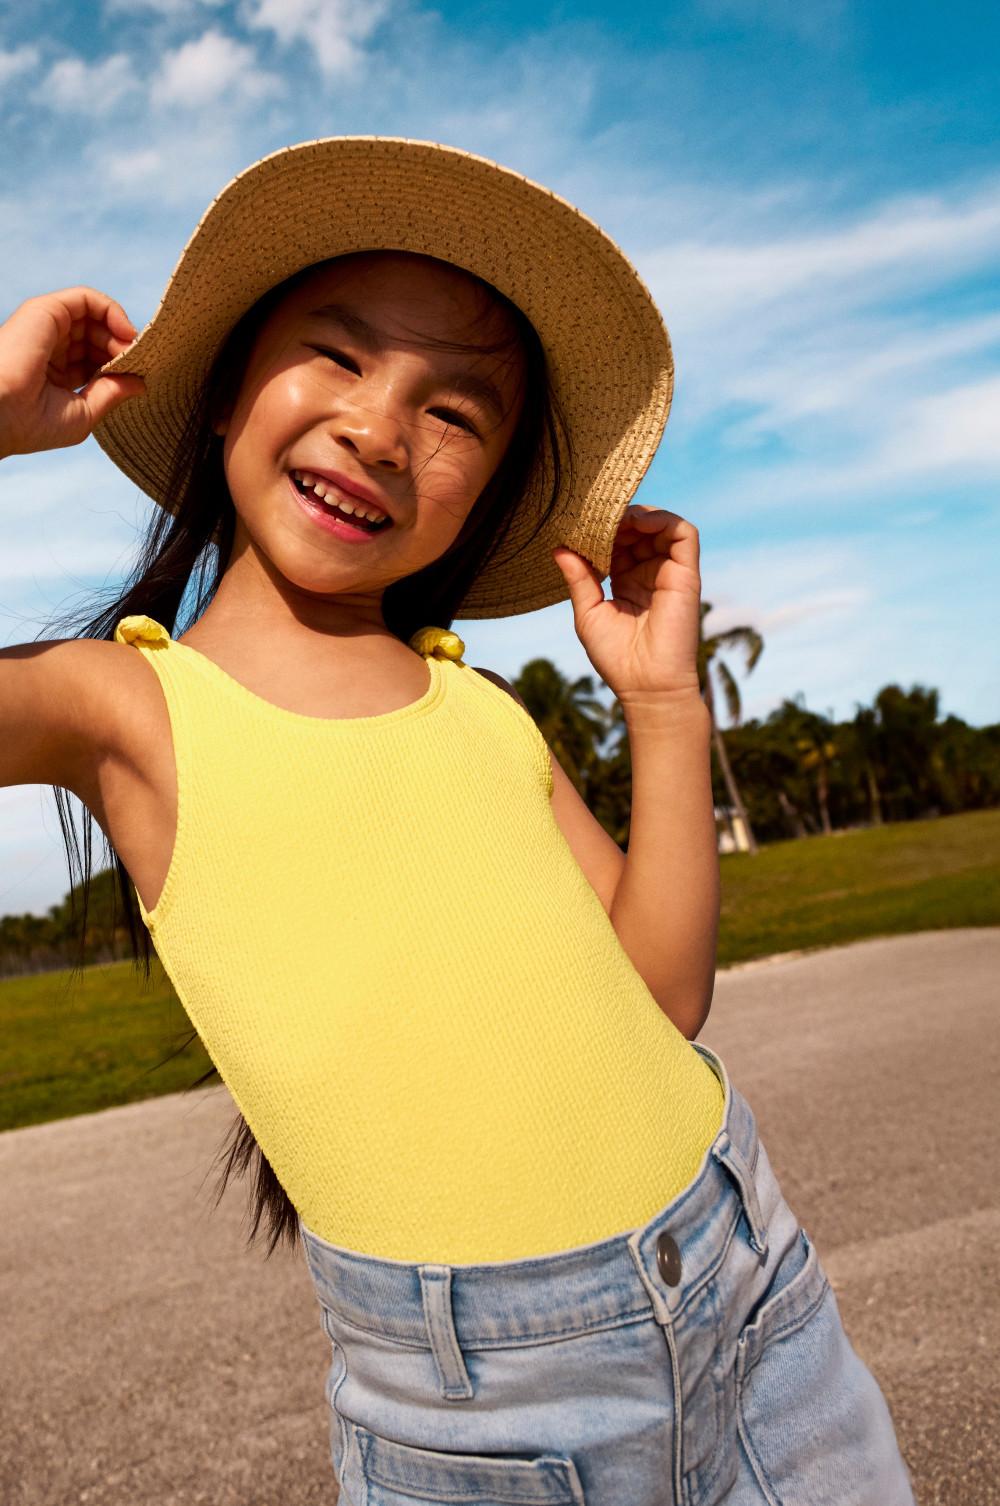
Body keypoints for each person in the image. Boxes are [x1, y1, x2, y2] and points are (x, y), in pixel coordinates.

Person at [0, 137, 916, 1505]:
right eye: (341, 354)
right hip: (491, 1411)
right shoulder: (125, 707)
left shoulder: (478, 709)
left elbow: (659, 993)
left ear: (483, 493)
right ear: (226, 382)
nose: (382, 429)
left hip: (755, 1286)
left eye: (457, 413)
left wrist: (665, 706)